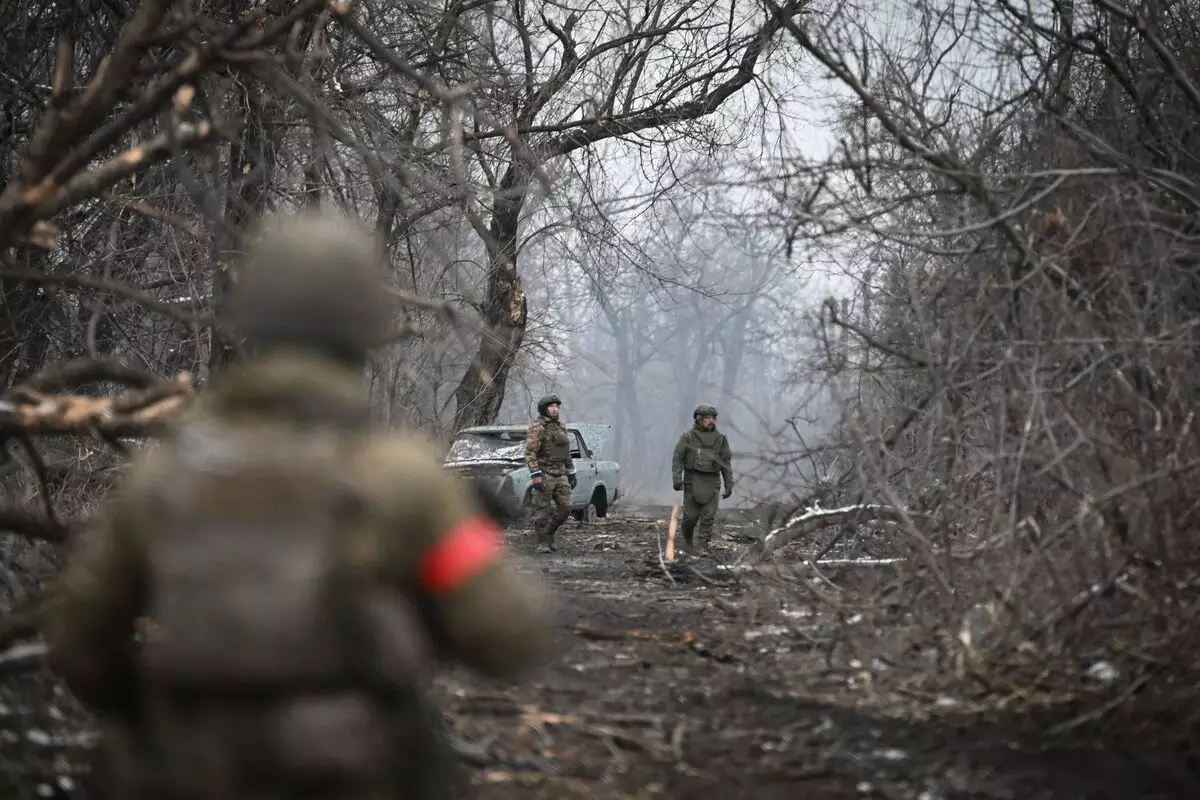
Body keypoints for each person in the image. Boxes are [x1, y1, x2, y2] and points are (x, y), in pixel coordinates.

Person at [40, 210, 551, 800]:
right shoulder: (401, 479)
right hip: (353, 771)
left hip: (181, 769)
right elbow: (510, 637)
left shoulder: (165, 474)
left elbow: (79, 635)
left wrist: (158, 713)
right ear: (363, 327)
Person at [670, 403, 734, 556]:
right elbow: (678, 458)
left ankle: (702, 546)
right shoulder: (688, 437)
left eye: (712, 418)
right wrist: (677, 478)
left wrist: (729, 484)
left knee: (708, 516)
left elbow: (726, 462)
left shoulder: (720, 439)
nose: (710, 421)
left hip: (712, 481)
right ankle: (687, 540)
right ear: (698, 419)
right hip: (692, 480)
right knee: (690, 517)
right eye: (706, 418)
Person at [524, 393, 576, 553]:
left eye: (557, 406)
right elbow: (530, 452)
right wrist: (535, 474)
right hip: (544, 472)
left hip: (560, 473)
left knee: (566, 508)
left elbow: (565, 451)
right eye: (551, 406)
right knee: (542, 511)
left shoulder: (561, 426)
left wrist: (571, 471)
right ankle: (542, 543)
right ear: (544, 409)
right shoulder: (537, 427)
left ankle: (549, 534)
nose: (555, 409)